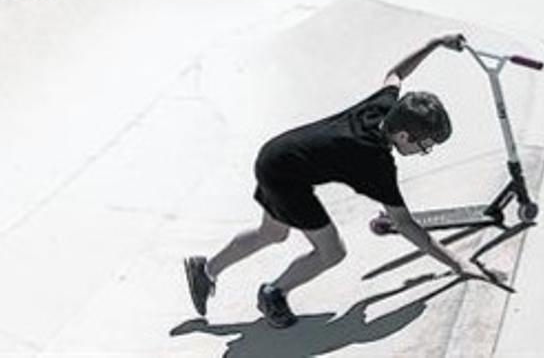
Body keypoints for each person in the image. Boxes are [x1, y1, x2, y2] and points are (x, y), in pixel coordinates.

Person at [184, 34, 483, 329]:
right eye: (425, 145)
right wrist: (458, 263)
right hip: (287, 178)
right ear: (404, 135)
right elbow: (405, 224)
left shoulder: (384, 106)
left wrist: (434, 43)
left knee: (272, 233)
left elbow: (396, 73)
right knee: (332, 251)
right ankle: (274, 293)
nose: (423, 152)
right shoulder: (374, 163)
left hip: (275, 153)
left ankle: (206, 270)